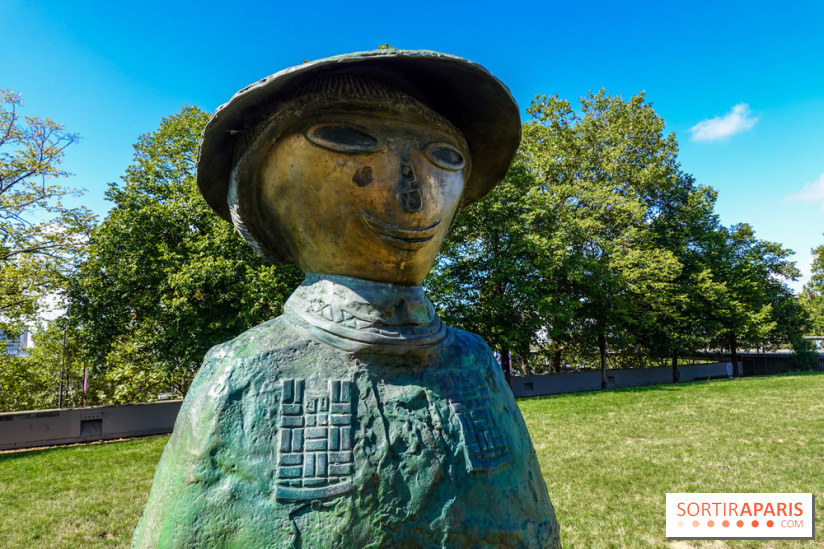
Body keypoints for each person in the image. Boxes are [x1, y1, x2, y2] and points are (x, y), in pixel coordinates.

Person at [133, 49, 560, 548]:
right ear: (264, 188)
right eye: (350, 140)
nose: (413, 192)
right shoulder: (245, 370)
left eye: (443, 156)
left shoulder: (474, 360)